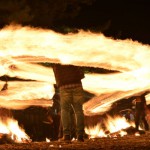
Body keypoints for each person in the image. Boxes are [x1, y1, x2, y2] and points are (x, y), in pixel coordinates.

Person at [52, 64, 85, 142]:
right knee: (79, 111)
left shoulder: (56, 60)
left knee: (65, 110)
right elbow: (80, 70)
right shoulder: (72, 56)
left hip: (64, 86)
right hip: (77, 84)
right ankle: (80, 136)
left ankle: (66, 135)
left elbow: (56, 72)